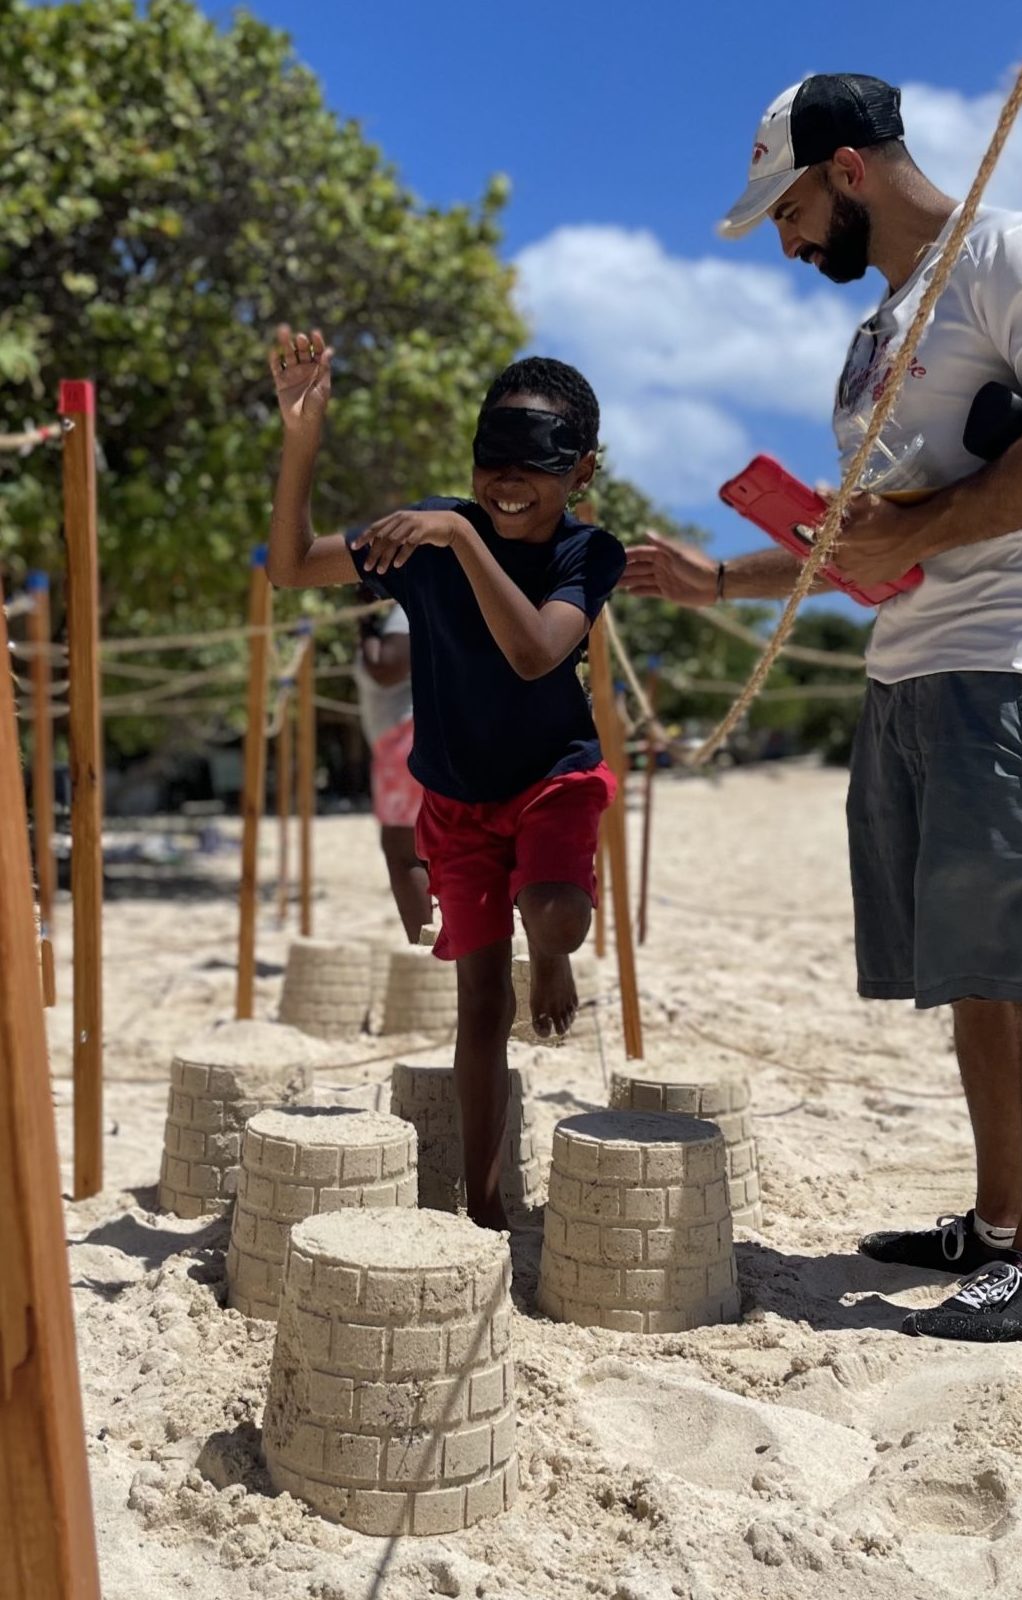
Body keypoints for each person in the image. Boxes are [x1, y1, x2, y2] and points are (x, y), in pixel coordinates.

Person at [622, 75, 1022, 1345]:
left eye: (792, 210)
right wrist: (726, 577)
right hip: (911, 670)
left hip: (1008, 661)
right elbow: (869, 538)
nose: (791, 240)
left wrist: (925, 527)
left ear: (849, 169)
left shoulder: (1009, 252)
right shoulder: (882, 328)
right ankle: (997, 1223)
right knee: (977, 965)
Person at [265, 328, 625, 1229]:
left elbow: (537, 652)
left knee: (553, 912)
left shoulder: (587, 555)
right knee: (476, 1003)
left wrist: (462, 535)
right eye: (490, 458)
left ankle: (550, 956)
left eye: (534, 464)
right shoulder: (431, 533)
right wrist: (302, 439)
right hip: (456, 802)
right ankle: (486, 1199)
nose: (507, 480)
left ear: (580, 472)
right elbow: (289, 568)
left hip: (553, 780)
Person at [353, 592, 431, 941]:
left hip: (406, 741)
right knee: (423, 850)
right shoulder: (410, 610)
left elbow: (387, 667)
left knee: (405, 855)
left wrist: (365, 624)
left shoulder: (403, 611)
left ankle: (431, 955)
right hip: (410, 739)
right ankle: (448, 952)